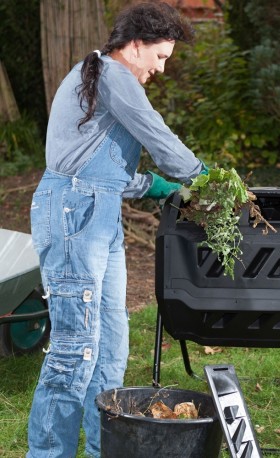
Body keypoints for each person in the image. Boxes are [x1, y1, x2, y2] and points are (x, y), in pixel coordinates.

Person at [27, 2, 206, 457]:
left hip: (97, 212)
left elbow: (99, 170)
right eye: (160, 56)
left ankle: (102, 451)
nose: (161, 69)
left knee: (109, 348)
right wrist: (200, 175)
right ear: (136, 45)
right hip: (74, 215)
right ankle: (49, 453)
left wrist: (155, 185)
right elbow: (156, 134)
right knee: (75, 350)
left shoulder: (105, 78)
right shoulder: (112, 75)